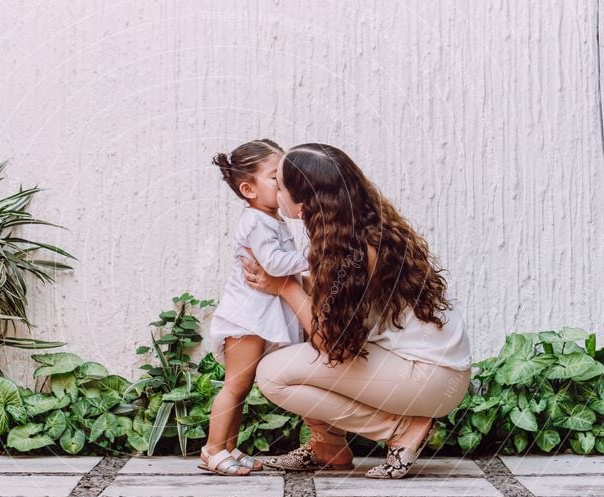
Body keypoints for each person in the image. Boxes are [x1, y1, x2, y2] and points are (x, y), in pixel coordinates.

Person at [238, 143, 472, 479]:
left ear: (303, 202)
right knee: (296, 354)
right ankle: (328, 447)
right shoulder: (357, 229)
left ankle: (402, 430)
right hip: (429, 370)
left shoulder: (352, 253)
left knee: (273, 375)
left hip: (428, 377)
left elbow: (329, 343)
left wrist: (285, 286)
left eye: (280, 182)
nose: (274, 189)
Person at [199, 139, 312, 476]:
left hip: (258, 317)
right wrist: (314, 255)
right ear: (248, 189)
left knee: (243, 386)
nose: (285, 185)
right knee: (235, 384)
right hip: (246, 318)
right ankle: (213, 449)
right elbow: (274, 264)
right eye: (276, 178)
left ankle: (229, 447)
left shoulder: (272, 220)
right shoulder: (256, 221)